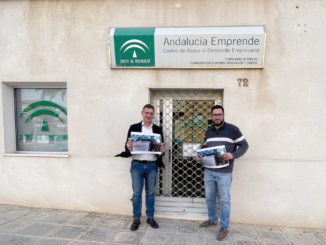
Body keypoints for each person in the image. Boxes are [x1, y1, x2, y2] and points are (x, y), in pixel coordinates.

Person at [196, 105, 249, 241]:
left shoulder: (233, 129)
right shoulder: (209, 131)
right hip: (209, 171)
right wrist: (199, 155)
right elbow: (206, 146)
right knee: (209, 197)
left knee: (224, 200)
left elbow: (244, 145)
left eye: (219, 114)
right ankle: (213, 219)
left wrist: (233, 155)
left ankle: (224, 227)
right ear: (211, 116)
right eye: (214, 115)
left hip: (224, 172)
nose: (217, 117)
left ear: (223, 115)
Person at [121, 104, 165, 231]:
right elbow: (127, 147)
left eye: (151, 113)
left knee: (151, 193)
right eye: (147, 113)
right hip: (137, 165)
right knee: (137, 194)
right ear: (142, 113)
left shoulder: (157, 129)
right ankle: (136, 218)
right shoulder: (133, 128)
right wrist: (128, 146)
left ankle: (150, 217)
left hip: (152, 165)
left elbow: (160, 149)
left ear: (153, 115)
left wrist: (162, 150)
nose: (149, 115)